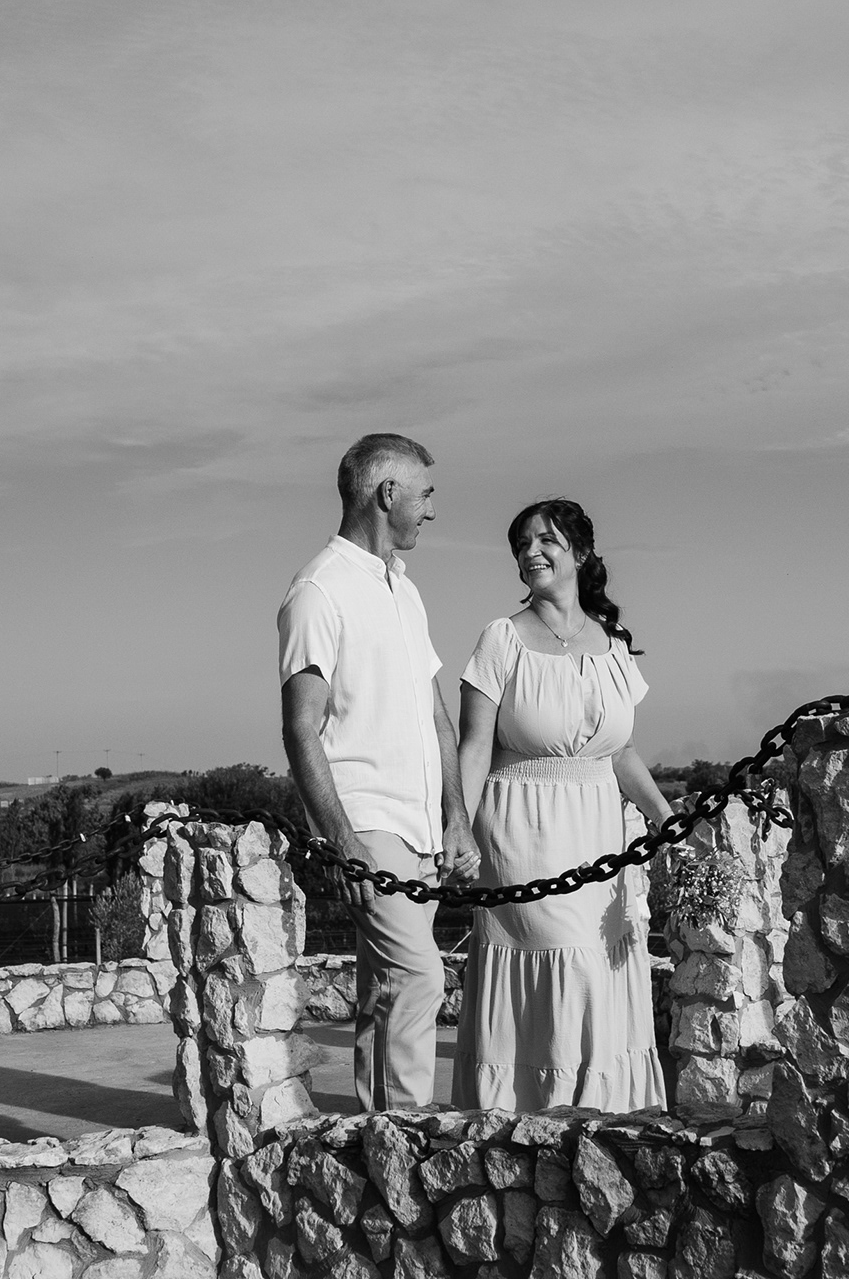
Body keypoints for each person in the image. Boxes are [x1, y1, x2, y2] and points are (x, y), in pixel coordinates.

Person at [452, 497, 676, 1112]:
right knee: (569, 963)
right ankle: (537, 1112)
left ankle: (603, 1116)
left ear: (580, 553)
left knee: (603, 965)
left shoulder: (614, 643)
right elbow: (474, 747)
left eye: (545, 540)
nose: (531, 552)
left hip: (602, 832)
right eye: (521, 544)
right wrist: (457, 830)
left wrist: (665, 817)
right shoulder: (501, 639)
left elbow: (620, 751)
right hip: (522, 829)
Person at [278, 434, 480, 1111]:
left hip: (422, 827)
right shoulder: (317, 592)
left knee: (386, 988)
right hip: (368, 824)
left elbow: (436, 716)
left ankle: (380, 1133)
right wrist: (343, 841)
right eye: (425, 494)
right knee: (419, 978)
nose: (431, 510)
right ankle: (409, 1135)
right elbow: (301, 727)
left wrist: (455, 817)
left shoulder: (406, 590)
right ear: (387, 493)